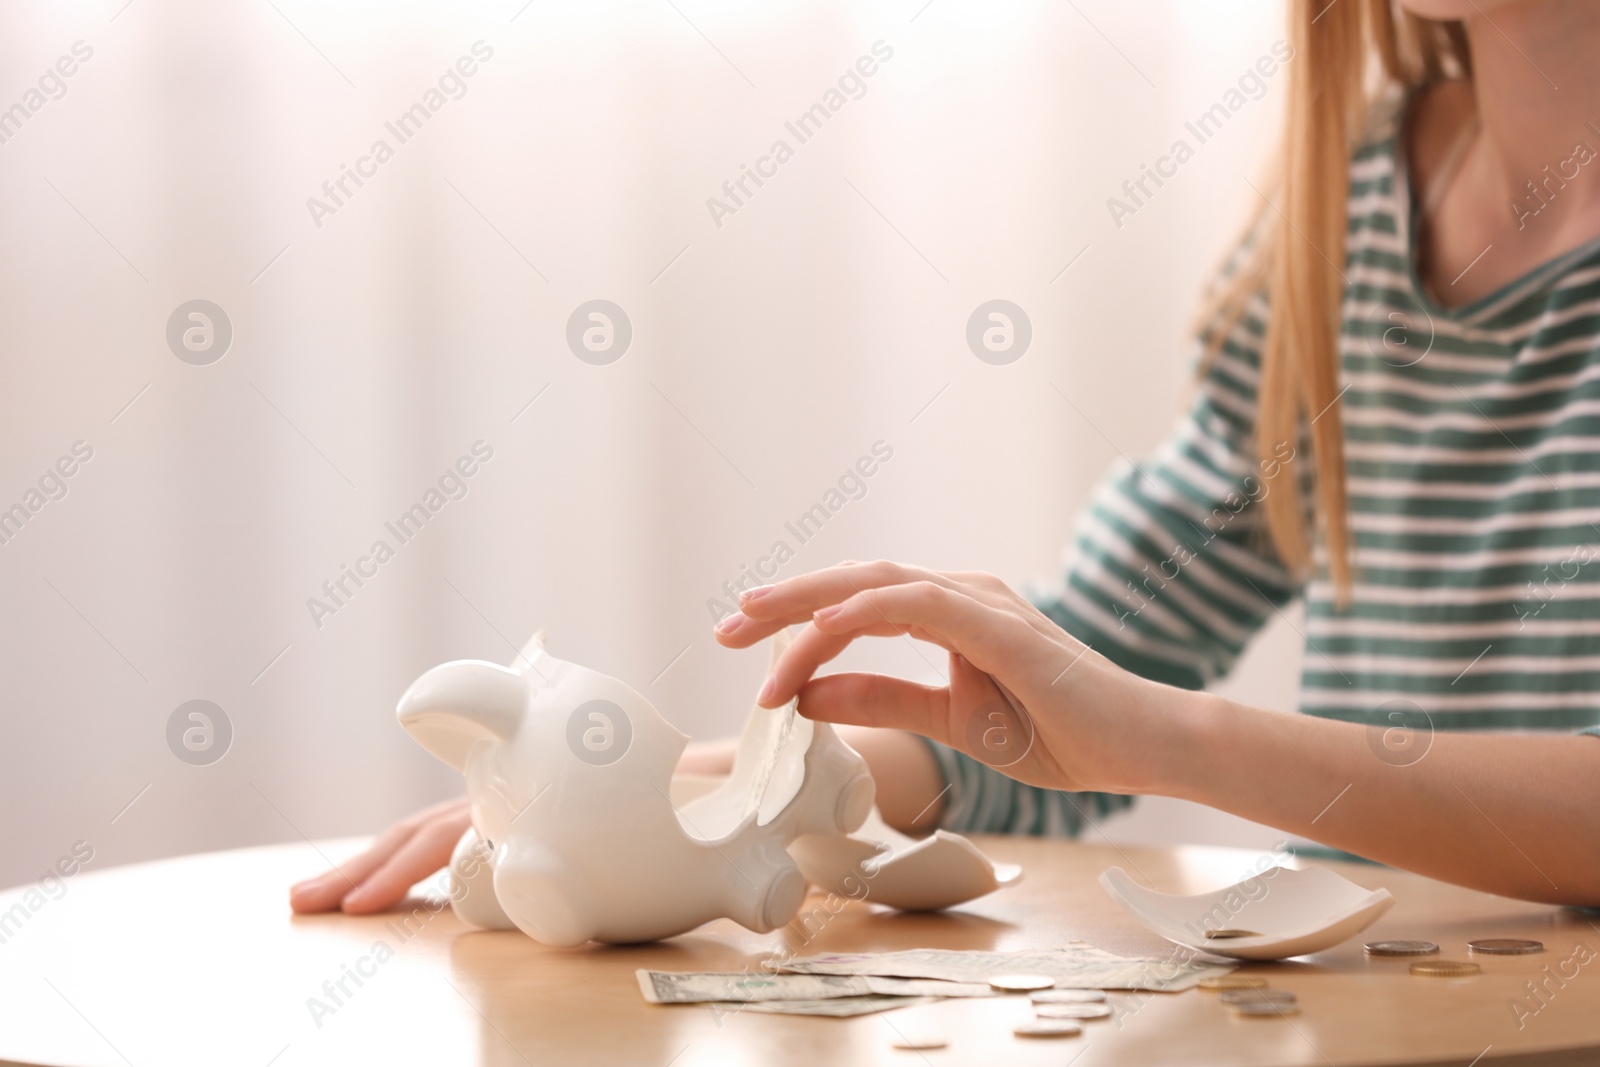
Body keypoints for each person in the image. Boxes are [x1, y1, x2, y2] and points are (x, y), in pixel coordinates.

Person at [292, 0, 1600, 917]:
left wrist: (1169, 738)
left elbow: (1137, 717)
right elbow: (1097, 674)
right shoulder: (1354, 205)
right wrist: (711, 789)